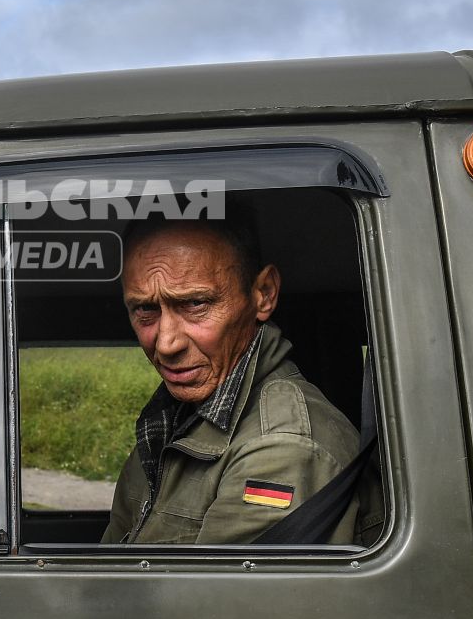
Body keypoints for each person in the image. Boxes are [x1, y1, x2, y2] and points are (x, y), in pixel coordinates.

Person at [102, 212, 365, 545]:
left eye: (196, 303)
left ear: (264, 294)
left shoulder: (280, 447)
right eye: (145, 310)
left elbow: (208, 597)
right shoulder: (173, 422)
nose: (166, 343)